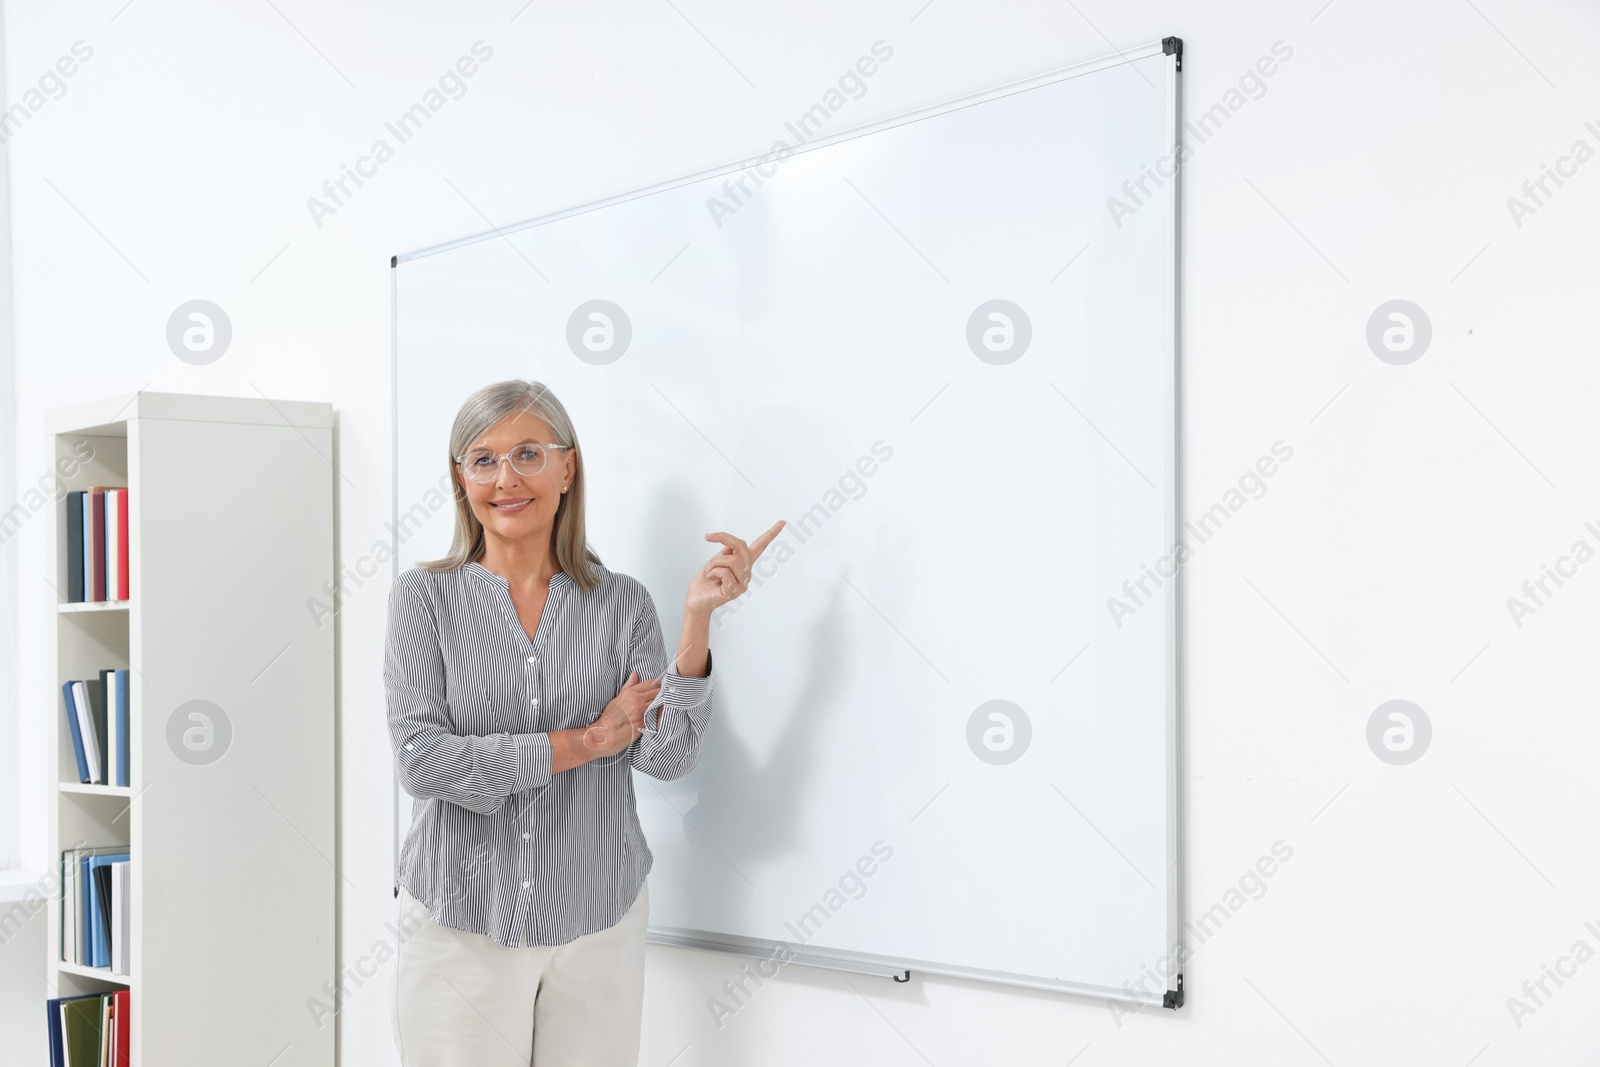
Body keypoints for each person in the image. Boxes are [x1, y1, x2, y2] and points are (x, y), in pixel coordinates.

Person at [385, 378, 782, 1066]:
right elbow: (424, 760)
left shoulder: (622, 602)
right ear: (461, 478)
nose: (506, 477)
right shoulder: (424, 598)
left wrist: (696, 619)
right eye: (483, 459)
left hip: (599, 921)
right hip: (463, 922)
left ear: (568, 468)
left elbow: (664, 755)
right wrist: (588, 742)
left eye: (529, 454)